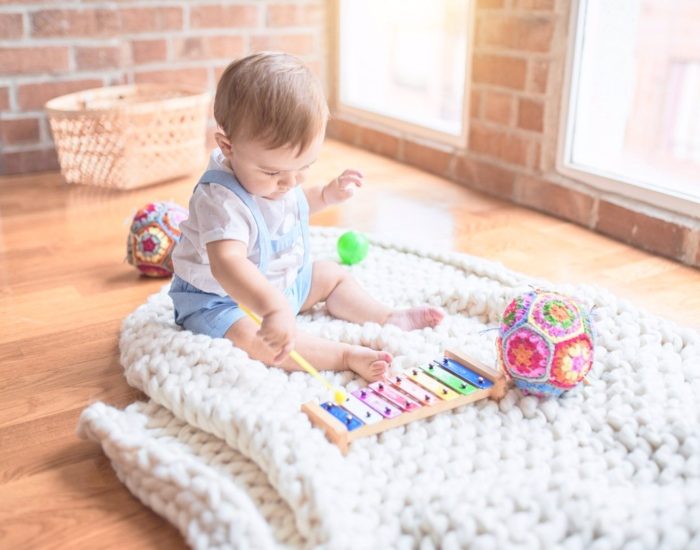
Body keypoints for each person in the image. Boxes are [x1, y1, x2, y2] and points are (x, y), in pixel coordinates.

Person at [169, 52, 444, 382]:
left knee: (331, 274)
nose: (289, 182)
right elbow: (227, 262)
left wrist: (326, 194)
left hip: (280, 288)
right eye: (273, 171)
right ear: (228, 147)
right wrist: (273, 309)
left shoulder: (282, 180)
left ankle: (387, 316)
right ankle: (343, 355)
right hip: (220, 303)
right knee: (257, 340)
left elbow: (295, 204)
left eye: (304, 167)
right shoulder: (220, 200)